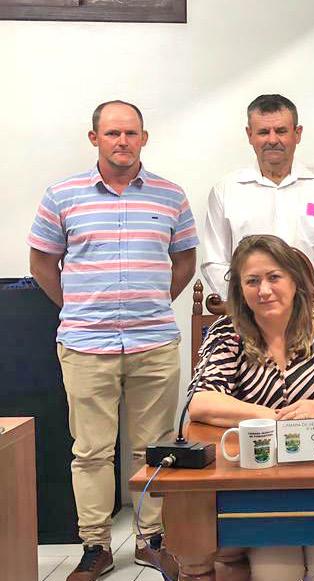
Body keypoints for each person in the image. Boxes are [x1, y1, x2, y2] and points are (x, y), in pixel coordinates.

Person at [27, 100, 197, 581]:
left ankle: (151, 541)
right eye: (112, 133)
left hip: (153, 342)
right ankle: (96, 546)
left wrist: (152, 301)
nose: (123, 141)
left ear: (144, 138)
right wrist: (80, 307)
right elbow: (42, 263)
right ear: (94, 138)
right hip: (86, 344)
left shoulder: (170, 195)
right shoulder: (62, 195)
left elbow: (184, 259)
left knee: (154, 448)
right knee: (91, 452)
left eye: (131, 133)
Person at [188, 234, 314, 581]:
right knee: (277, 573)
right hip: (260, 487)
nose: (264, 290)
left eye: (274, 277)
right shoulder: (227, 333)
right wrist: (273, 417)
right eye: (252, 281)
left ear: (294, 280)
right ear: (239, 289)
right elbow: (201, 402)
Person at [202, 94, 314, 298]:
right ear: (250, 135)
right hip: (249, 310)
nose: (272, 140)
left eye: (281, 131)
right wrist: (245, 300)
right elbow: (214, 261)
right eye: (263, 132)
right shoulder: (225, 190)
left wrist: (312, 298)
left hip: (311, 310)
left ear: (297, 134)